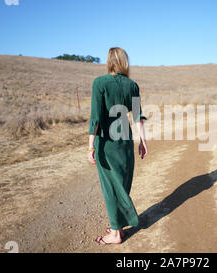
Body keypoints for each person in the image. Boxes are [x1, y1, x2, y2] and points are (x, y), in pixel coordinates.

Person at [87, 47, 148, 245]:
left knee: (111, 188)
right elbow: (138, 116)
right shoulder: (133, 85)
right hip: (126, 143)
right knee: (121, 185)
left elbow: (95, 118)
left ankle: (115, 233)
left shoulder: (99, 83)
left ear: (109, 61)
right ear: (124, 62)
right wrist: (143, 141)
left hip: (107, 143)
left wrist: (90, 147)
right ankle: (118, 225)